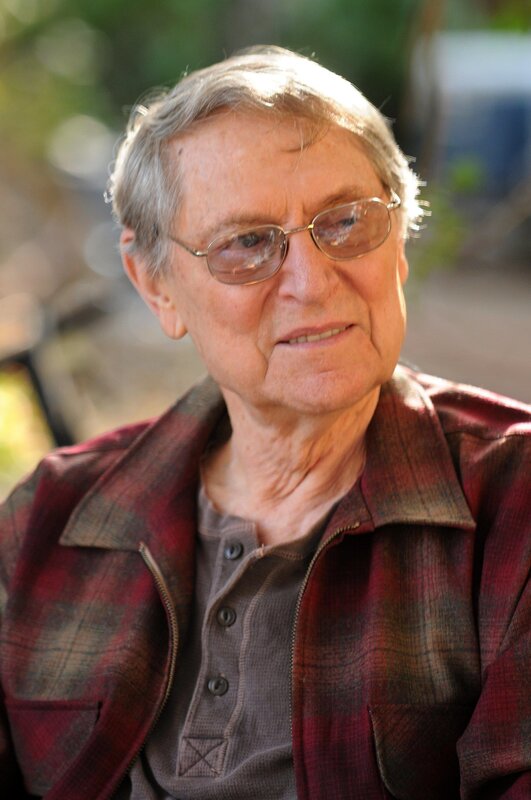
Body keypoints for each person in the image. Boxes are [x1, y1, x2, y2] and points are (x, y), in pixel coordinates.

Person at [0, 45, 529, 800]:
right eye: (247, 243)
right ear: (156, 286)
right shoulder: (47, 520)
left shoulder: (514, 501)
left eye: (346, 221)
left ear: (400, 243)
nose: (312, 282)